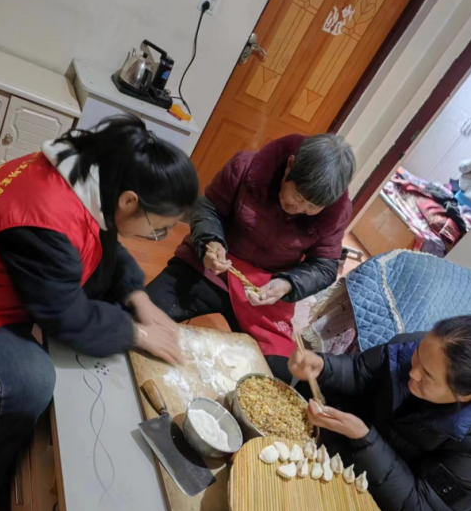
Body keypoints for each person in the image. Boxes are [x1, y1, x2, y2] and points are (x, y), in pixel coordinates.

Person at [0, 116, 198, 511]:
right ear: (130, 201)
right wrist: (139, 334)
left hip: (1, 267)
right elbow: (64, 315)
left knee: (109, 305)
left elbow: (106, 242)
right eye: (158, 229)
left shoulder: (94, 173)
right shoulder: (44, 214)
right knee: (28, 382)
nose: (155, 238)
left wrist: (138, 297)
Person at [147, 133, 355, 379]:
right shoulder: (247, 167)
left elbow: (324, 266)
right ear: (290, 165)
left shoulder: (337, 211)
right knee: (142, 316)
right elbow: (209, 207)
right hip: (211, 267)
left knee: (279, 374)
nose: (299, 209)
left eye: (312, 207)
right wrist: (211, 241)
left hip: (264, 291)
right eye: (298, 197)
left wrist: (287, 284)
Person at [289, 316, 471, 511]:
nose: (413, 373)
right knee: (291, 376)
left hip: (431, 505)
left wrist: (365, 439)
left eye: (428, 375)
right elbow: (361, 370)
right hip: (383, 436)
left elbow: (420, 507)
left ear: (468, 395)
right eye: (419, 354)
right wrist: (322, 367)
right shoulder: (420, 348)